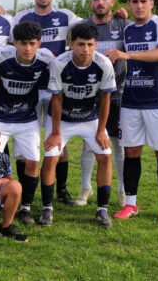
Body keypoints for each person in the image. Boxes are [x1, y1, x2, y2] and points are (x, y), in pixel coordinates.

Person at [106, 0, 158, 224]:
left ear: (151, 4)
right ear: (128, 4)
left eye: (143, 1)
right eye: (134, 2)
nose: (139, 6)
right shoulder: (127, 31)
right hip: (131, 100)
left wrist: (128, 55)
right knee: (131, 152)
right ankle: (131, 204)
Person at [0, 21, 54, 224]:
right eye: (23, 43)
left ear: (39, 44)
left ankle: (25, 207)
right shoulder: (0, 56)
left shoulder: (46, 58)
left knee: (33, 161)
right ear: (14, 43)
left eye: (32, 43)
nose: (27, 48)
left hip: (27, 118)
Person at [14, 0, 84, 206]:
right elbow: (10, 42)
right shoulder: (21, 17)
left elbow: (88, 27)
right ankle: (26, 193)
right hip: (30, 89)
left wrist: (116, 18)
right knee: (26, 143)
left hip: (57, 89)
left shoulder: (66, 16)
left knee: (58, 140)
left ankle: (61, 190)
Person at [40, 23, 117, 227]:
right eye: (81, 44)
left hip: (89, 118)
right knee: (50, 158)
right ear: (71, 44)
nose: (86, 49)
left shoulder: (104, 64)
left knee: (105, 156)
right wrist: (56, 132)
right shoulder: (60, 64)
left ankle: (102, 209)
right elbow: (56, 98)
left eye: (90, 45)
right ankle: (47, 208)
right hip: (61, 119)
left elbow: (105, 98)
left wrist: (101, 130)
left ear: (96, 44)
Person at [75, 0, 130, 207]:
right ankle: (85, 187)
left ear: (112, 1)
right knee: (89, 143)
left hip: (118, 94)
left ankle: (122, 189)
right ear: (91, 3)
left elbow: (135, 47)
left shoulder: (124, 24)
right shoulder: (83, 26)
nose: (100, 3)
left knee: (118, 143)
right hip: (91, 95)